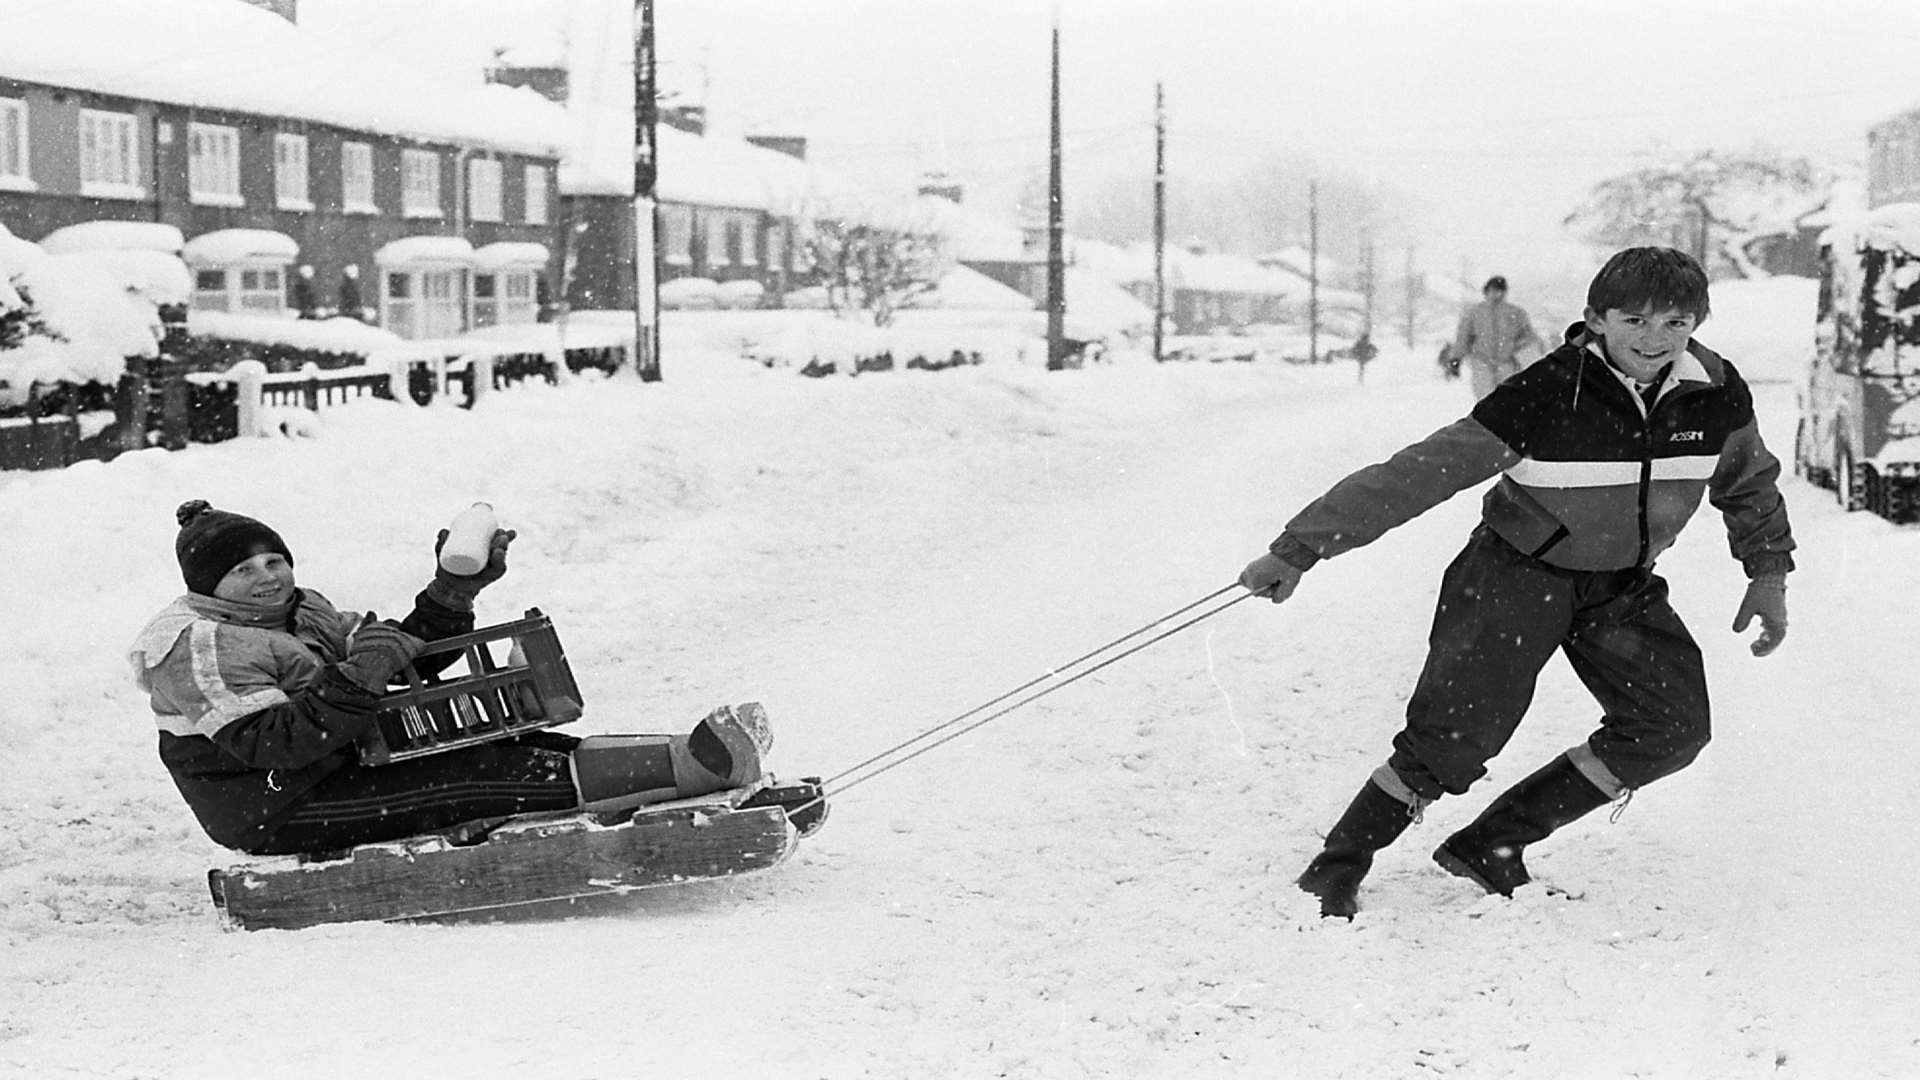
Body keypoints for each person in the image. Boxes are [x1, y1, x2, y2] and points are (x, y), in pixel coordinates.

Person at [1238, 247, 1795, 918]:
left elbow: (1749, 483)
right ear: (1595, 319)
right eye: (1635, 321)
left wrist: (1768, 571)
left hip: (1620, 583)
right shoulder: (1549, 391)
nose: (1655, 340)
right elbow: (1421, 473)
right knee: (1454, 734)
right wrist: (1299, 548)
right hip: (1514, 574)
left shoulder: (1716, 390)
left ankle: (1494, 842)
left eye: (1676, 322)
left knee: (1670, 726)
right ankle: (1338, 863)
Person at [129, 500, 772, 856]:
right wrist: (362, 672)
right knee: (482, 779)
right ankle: (694, 772)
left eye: (275, 560)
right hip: (278, 805)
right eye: (245, 572)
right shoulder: (199, 648)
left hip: (344, 761)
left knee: (515, 748)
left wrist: (453, 590)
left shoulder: (300, 610)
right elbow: (277, 745)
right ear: (209, 586)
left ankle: (684, 763)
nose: (269, 576)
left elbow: (401, 660)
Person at [1454, 274, 1543, 399]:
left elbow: (1528, 336)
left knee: (1506, 397)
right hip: (1482, 361)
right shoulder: (1475, 313)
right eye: (1493, 290)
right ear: (1486, 291)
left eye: (1500, 290)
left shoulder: (1516, 313)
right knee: (1484, 398)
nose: (1497, 294)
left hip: (1507, 362)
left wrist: (1522, 350)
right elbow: (1463, 337)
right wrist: (1456, 357)